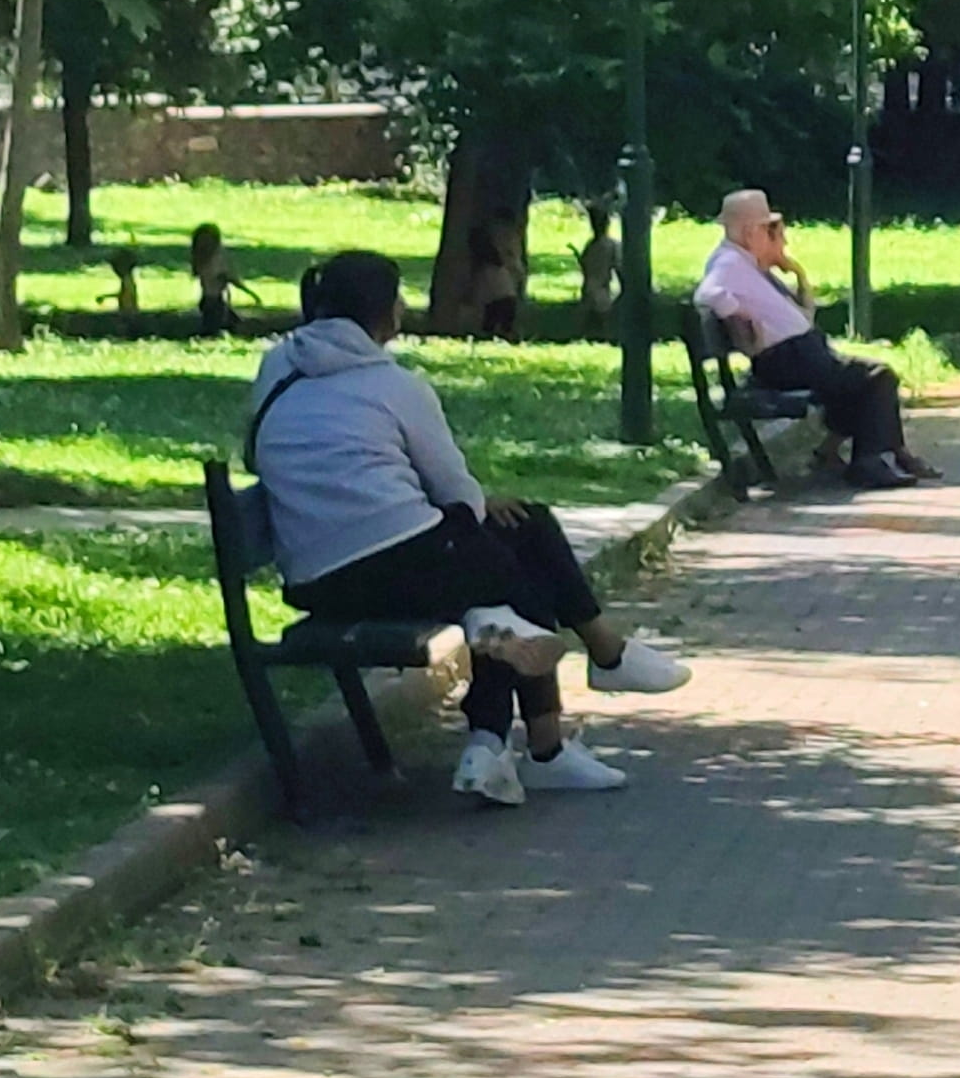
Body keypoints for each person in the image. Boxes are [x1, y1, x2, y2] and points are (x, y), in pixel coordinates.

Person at [241, 250, 695, 806]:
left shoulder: (276, 368)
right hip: (401, 566)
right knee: (521, 562)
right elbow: (454, 489)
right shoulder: (396, 385)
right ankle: (575, 690)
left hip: (313, 578)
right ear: (388, 315)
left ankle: (514, 734)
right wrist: (477, 504)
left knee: (512, 565)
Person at [696, 187, 924, 485]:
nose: (777, 237)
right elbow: (707, 293)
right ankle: (870, 463)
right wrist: (738, 314)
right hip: (788, 360)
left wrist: (797, 272)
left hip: (798, 354)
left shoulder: (747, 264)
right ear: (751, 232)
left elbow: (804, 317)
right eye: (768, 229)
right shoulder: (729, 263)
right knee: (878, 377)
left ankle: (862, 455)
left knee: (858, 379)